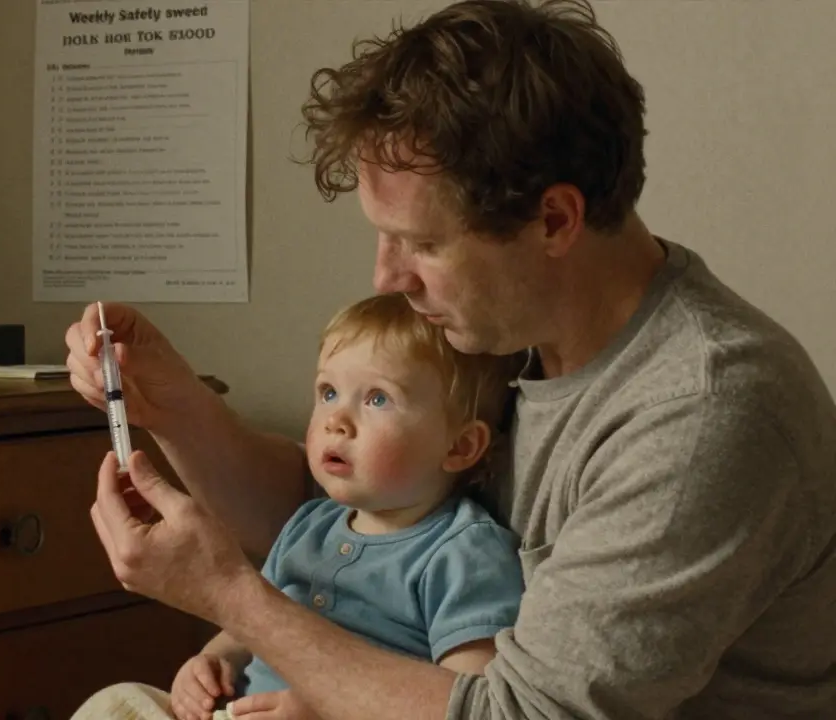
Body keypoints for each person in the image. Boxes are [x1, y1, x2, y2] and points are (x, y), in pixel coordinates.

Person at [66, 0, 836, 717]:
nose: (386, 278)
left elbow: (519, 712)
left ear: (555, 220)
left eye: (424, 244)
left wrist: (233, 599)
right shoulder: (513, 338)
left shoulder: (702, 410)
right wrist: (169, 403)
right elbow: (353, 508)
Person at [73, 294, 526, 720]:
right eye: (328, 392)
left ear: (461, 445)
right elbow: (251, 623)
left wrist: (330, 711)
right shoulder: (310, 523)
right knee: (117, 703)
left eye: (377, 399)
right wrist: (210, 662)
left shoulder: (465, 551)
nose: (336, 420)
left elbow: (467, 701)